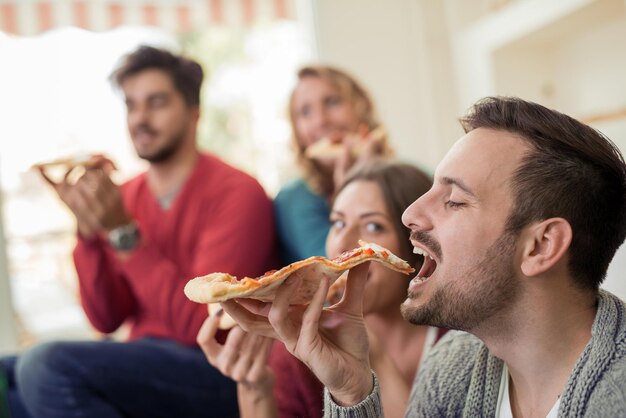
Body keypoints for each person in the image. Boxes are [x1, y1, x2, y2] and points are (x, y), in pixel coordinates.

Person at [222, 96, 626, 417]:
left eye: (453, 200)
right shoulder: (451, 368)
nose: (409, 216)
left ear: (541, 246)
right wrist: (351, 392)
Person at [0, 45, 275, 418]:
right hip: (141, 364)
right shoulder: (125, 195)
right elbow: (105, 318)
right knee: (8, 381)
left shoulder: (239, 193)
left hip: (216, 369)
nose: (139, 118)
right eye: (131, 104)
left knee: (44, 365)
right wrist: (87, 229)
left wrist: (122, 232)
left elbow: (199, 324)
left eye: (156, 102)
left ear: (194, 112)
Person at [199, 159, 445, 418]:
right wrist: (256, 391)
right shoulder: (296, 351)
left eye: (373, 226)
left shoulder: (462, 339)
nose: (343, 244)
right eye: (338, 223)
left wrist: (377, 358)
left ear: (417, 247)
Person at [274, 65, 392, 264]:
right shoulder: (294, 199)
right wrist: (352, 188)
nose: (320, 120)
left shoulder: (412, 177)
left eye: (332, 102)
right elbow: (340, 273)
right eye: (305, 112)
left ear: (362, 107)